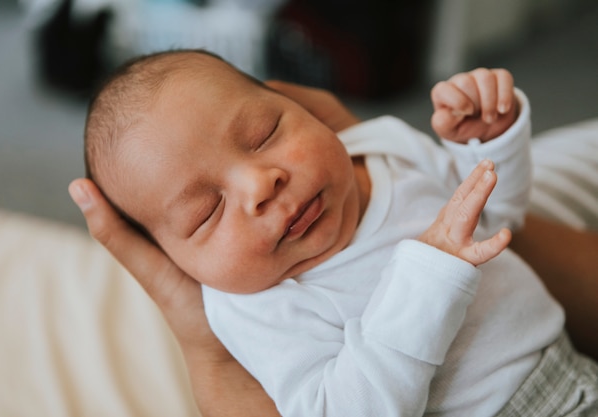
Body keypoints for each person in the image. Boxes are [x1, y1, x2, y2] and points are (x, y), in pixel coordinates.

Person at [69, 49, 598, 416]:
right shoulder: (258, 307)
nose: (260, 183)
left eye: (264, 134)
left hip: (574, 368)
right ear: (179, 263)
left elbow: (498, 226)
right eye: (206, 212)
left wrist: (488, 146)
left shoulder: (382, 147)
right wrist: (426, 278)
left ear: (300, 105)